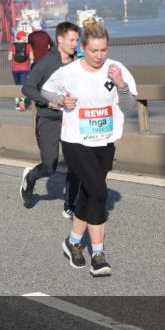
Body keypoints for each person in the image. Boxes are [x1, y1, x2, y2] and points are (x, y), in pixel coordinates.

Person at [43, 20, 137, 277]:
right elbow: (45, 91)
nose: (99, 55)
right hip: (76, 142)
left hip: (105, 143)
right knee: (98, 192)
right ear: (83, 47)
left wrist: (120, 84)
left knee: (87, 193)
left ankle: (72, 242)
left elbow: (129, 107)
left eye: (103, 50)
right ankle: (98, 253)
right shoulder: (69, 72)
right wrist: (61, 100)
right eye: (94, 50)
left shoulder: (116, 70)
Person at [20, 23, 83, 217]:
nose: (75, 43)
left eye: (77, 40)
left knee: (76, 163)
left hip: (71, 120)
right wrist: (47, 102)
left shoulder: (77, 62)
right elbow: (27, 88)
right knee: (49, 165)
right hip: (49, 119)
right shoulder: (46, 63)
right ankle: (30, 178)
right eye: (72, 40)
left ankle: (69, 205)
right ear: (60, 40)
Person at [9, 29, 34, 112]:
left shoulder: (13, 46)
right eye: (24, 35)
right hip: (25, 68)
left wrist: (14, 58)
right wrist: (30, 61)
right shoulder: (28, 45)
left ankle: (18, 105)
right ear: (22, 37)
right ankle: (23, 104)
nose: (25, 36)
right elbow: (31, 57)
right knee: (22, 85)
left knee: (17, 86)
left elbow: (9, 58)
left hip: (15, 69)